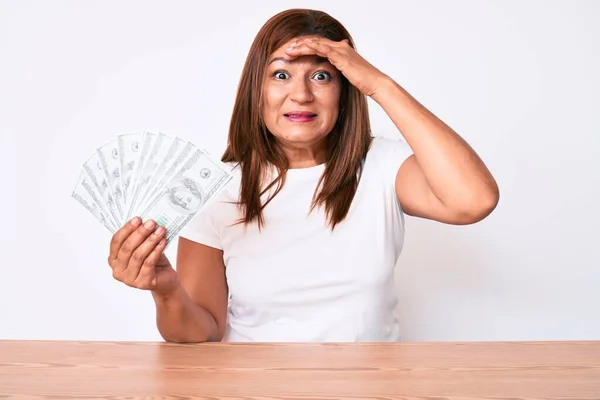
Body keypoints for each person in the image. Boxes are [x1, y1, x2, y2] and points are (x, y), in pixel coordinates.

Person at [107, 8, 499, 342]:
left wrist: (378, 85)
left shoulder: (383, 166)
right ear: (255, 90)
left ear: (347, 90)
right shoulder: (214, 190)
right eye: (281, 75)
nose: (301, 94)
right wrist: (166, 291)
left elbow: (474, 200)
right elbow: (203, 333)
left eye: (322, 76)